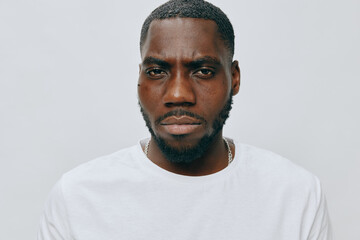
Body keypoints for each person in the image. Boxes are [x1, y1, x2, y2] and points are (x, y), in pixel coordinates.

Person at [38, 0, 332, 239]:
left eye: (203, 70)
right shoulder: (78, 197)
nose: (178, 94)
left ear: (235, 78)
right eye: (157, 71)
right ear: (139, 78)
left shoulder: (295, 194)